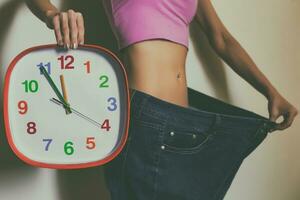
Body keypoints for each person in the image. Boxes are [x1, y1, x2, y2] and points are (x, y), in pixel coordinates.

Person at [25, 0, 298, 199]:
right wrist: (53, 14)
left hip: (189, 124)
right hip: (144, 120)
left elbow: (222, 39)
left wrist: (271, 92)